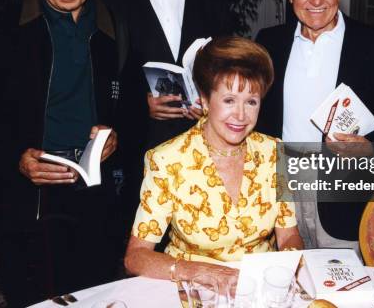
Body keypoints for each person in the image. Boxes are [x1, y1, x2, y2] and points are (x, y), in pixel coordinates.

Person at [0, 0, 127, 306]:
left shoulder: (116, 23)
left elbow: (132, 104)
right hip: (30, 200)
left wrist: (116, 132)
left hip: (95, 195)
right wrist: (15, 159)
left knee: (97, 292)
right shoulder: (3, 30)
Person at [256, 0, 374, 249]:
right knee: (286, 283)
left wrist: (371, 148)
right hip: (279, 188)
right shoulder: (268, 43)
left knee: (343, 287)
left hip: (343, 194)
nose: (316, 1)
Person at [124, 36, 304, 286]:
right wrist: (201, 272)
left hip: (259, 290)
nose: (241, 115)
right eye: (229, 100)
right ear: (206, 100)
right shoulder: (167, 160)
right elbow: (136, 257)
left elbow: (289, 236)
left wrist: (282, 272)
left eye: (251, 102)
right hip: (192, 290)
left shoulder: (276, 152)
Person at [103, 0, 226, 152]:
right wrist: (140, 103)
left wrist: (209, 100)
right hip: (139, 149)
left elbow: (228, 70)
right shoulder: (111, 4)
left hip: (204, 146)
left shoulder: (212, 2)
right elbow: (100, 79)